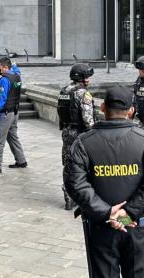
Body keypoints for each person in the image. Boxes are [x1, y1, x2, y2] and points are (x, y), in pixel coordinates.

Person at [64, 85, 144, 278]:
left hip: (102, 226)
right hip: (136, 226)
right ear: (131, 110)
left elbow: (75, 183)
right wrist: (127, 214)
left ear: (102, 107)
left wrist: (107, 212)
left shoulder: (84, 142)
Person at [57, 63, 95, 210]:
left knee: (68, 163)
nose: (89, 80)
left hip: (67, 132)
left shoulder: (64, 90)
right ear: (81, 78)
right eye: (87, 77)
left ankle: (68, 195)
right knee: (83, 164)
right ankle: (82, 195)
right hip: (81, 134)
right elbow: (88, 119)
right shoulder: (83, 93)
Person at [0, 57, 27, 173]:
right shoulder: (17, 75)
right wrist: (14, 65)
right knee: (12, 137)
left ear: (5, 67)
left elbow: (1, 98)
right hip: (15, 112)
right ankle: (21, 161)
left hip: (5, 114)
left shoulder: (4, 80)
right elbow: (17, 69)